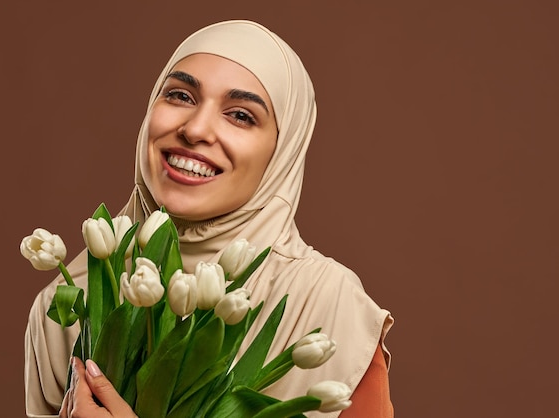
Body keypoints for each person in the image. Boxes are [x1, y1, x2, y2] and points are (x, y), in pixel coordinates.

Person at [25, 20, 394, 418]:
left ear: (282, 152)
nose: (196, 129)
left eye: (240, 116)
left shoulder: (326, 306)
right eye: (180, 96)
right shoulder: (67, 305)